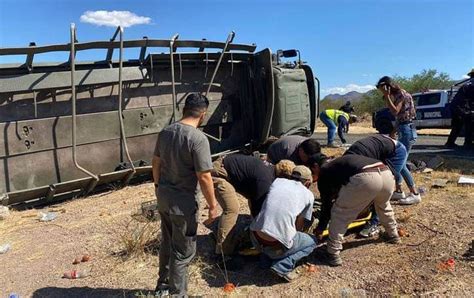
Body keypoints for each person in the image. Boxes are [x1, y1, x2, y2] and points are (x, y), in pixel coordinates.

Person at [152, 93, 220, 296]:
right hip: (183, 204)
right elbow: (204, 177)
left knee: (167, 243)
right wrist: (213, 205)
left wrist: (157, 186)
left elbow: (156, 162)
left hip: (164, 198)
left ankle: (162, 286)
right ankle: (177, 294)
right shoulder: (198, 138)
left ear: (184, 109)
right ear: (203, 114)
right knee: (182, 252)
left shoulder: (165, 132)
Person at [310, 153, 400, 266]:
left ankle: (332, 252)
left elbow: (327, 205)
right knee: (383, 205)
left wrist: (321, 228)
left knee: (340, 214)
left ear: (315, 166)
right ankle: (393, 234)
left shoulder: (324, 170)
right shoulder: (339, 162)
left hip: (368, 178)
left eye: (312, 172)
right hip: (386, 173)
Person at [344, 121, 420, 238]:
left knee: (381, 186)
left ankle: (374, 222)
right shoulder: (346, 161)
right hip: (383, 151)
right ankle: (401, 192)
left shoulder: (355, 165)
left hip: (397, 152)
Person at [211, 155, 295, 255]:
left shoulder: (269, 169)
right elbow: (257, 206)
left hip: (225, 166)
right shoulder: (265, 180)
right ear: (283, 177)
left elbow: (253, 197)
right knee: (232, 209)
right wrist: (259, 230)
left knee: (251, 199)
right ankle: (222, 254)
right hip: (219, 173)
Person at [250, 166, 316, 282]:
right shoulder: (309, 195)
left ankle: (265, 260)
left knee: (270, 227)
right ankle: (283, 266)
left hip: (255, 236)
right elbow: (299, 225)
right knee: (312, 242)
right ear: (307, 182)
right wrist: (297, 238)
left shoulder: (278, 182)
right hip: (276, 244)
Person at [376, 76, 421, 204]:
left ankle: (414, 193)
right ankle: (399, 191)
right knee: (399, 160)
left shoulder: (401, 94)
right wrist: (393, 132)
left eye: (383, 90)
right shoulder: (400, 94)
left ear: (387, 87)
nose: (383, 93)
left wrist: (387, 96)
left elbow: (395, 112)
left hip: (407, 131)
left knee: (401, 162)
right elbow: (401, 118)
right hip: (404, 128)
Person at [445, 69, 474, 149]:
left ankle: (450, 143)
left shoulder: (467, 84)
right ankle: (467, 143)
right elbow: (471, 99)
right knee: (468, 124)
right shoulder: (471, 85)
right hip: (460, 108)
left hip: (458, 107)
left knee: (458, 126)